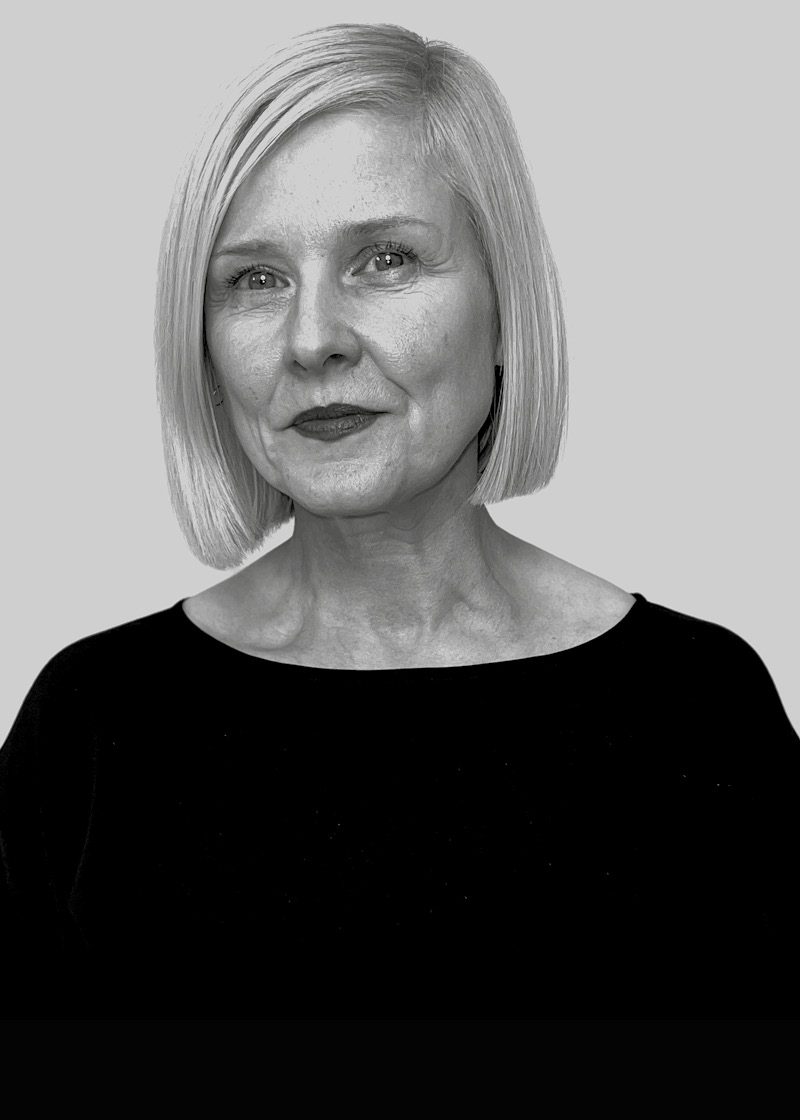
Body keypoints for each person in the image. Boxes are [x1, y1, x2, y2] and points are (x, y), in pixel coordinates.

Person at [1, 21, 797, 1019]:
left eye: (384, 259)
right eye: (254, 279)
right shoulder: (93, 731)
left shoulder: (695, 711)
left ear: (505, 305)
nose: (312, 340)